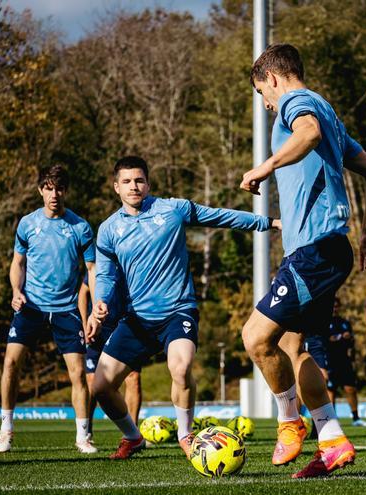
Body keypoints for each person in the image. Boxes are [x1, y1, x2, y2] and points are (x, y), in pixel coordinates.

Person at [240, 43, 366, 478]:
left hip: (316, 252)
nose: (266, 105)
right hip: (327, 248)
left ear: (272, 78)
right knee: (290, 346)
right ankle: (333, 441)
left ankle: (290, 422)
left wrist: (264, 167)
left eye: (261, 94)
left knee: (255, 337)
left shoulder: (296, 103)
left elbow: (307, 135)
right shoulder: (331, 114)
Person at [88, 156, 281, 460]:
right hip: (137, 318)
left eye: (139, 180)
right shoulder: (109, 229)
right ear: (116, 187)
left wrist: (266, 222)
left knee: (180, 367)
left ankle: (185, 434)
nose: (133, 186)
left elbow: (219, 216)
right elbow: (106, 274)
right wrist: (100, 301)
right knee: (100, 387)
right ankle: (133, 437)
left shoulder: (173, 209)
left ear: (148, 183)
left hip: (178, 312)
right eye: (126, 181)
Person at [0, 164, 96, 454]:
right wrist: (16, 291)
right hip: (32, 306)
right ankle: (6, 430)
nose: (54, 194)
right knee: (11, 363)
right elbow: (18, 263)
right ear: (40, 190)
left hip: (66, 310)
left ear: (66, 191)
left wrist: (92, 312)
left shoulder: (80, 227)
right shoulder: (27, 224)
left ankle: (83, 437)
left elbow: (92, 269)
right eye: (49, 188)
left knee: (78, 373)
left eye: (59, 188)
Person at [78, 275, 142, 438]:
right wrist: (85, 321)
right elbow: (83, 292)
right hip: (99, 330)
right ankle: (87, 429)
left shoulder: (133, 262)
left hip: (127, 328)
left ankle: (132, 434)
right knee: (92, 382)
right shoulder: (103, 263)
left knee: (133, 378)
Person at [305, 299, 366, 427]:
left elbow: (351, 342)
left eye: (337, 306)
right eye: (333, 306)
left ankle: (356, 418)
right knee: (330, 389)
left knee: (350, 388)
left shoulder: (344, 323)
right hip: (329, 359)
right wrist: (340, 337)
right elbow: (324, 340)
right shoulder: (323, 322)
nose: (335, 308)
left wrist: (349, 342)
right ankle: (331, 418)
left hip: (344, 361)